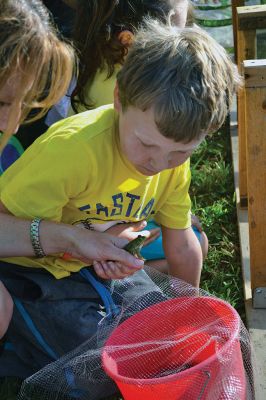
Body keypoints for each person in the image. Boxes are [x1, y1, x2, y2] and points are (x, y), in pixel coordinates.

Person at [0, 20, 240, 396]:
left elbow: (182, 244)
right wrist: (77, 244)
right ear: (118, 100)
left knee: (156, 342)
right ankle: (17, 338)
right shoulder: (72, 151)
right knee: (97, 366)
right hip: (32, 271)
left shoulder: (172, 161)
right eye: (146, 144)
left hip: (96, 261)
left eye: (180, 152)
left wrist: (186, 312)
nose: (159, 163)